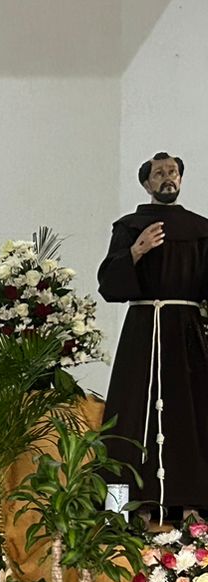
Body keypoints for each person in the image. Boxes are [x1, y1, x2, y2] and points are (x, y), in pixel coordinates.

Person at [99, 152, 208, 516]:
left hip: (186, 334)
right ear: (146, 183)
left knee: (190, 413)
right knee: (131, 412)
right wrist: (136, 250)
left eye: (173, 172)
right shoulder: (129, 226)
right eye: (159, 173)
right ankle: (119, 510)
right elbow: (110, 285)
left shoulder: (201, 228)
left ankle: (192, 506)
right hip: (143, 330)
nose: (167, 178)